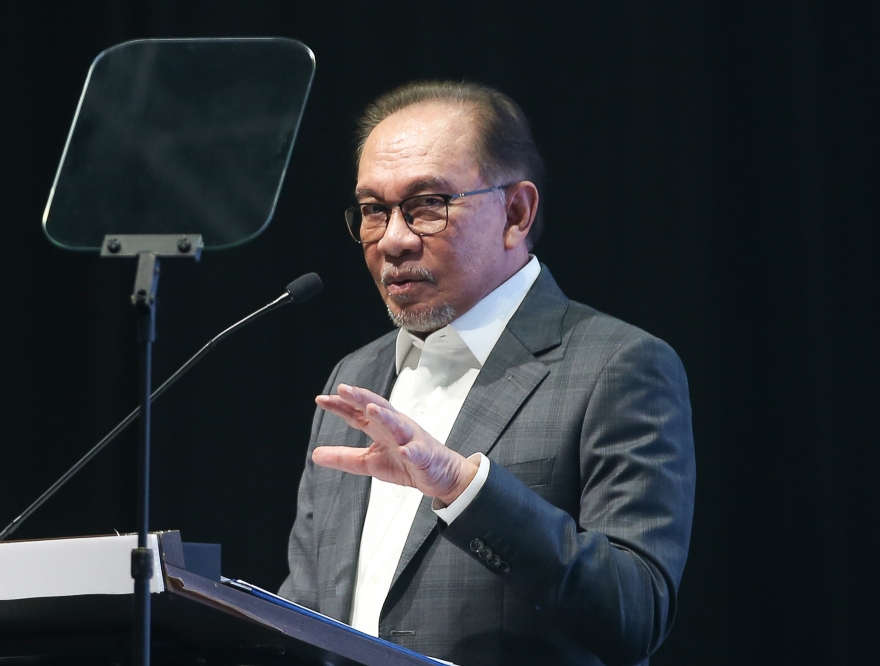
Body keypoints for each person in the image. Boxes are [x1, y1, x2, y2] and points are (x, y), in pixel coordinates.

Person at [279, 81, 695, 666]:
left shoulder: (616, 364)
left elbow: (634, 613)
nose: (393, 240)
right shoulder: (357, 374)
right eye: (374, 210)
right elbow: (309, 607)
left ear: (517, 212)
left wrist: (462, 489)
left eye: (427, 204)